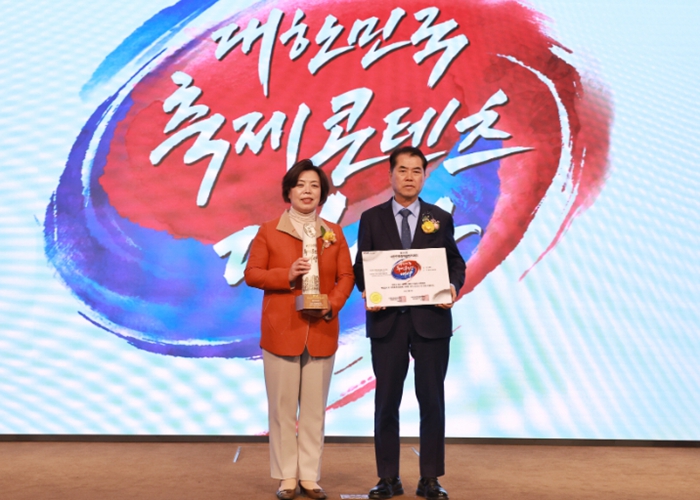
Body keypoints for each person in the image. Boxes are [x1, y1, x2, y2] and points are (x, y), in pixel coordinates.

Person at [353, 146, 466, 500]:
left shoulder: (439, 217)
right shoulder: (371, 218)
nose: (409, 177)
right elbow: (362, 266)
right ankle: (388, 478)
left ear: (424, 177)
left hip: (431, 322)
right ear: (390, 175)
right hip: (387, 322)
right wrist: (369, 288)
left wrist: (452, 286)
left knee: (432, 401)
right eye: (402, 170)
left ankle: (429, 478)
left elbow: (455, 263)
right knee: (386, 402)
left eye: (417, 171)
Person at [244, 159, 355, 500]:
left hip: (321, 329)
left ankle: (309, 476)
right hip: (281, 331)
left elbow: (346, 277)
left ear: (322, 193)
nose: (308, 191)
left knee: (313, 410)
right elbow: (252, 274)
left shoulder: (333, 232)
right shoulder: (268, 230)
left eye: (314, 186)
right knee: (281, 410)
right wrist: (287, 275)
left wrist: (331, 304)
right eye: (301, 185)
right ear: (289, 192)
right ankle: (286, 478)